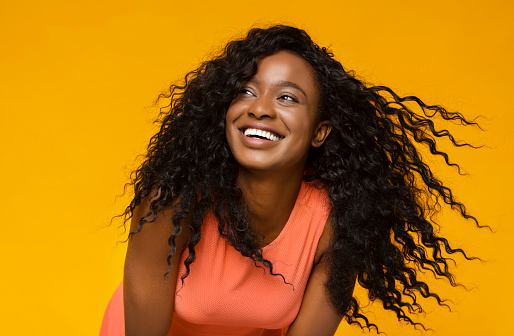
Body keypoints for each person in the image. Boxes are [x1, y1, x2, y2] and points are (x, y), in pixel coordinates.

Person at [100, 25, 481, 336]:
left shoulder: (338, 221)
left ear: (320, 131)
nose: (260, 108)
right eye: (245, 91)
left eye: (287, 98)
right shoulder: (174, 199)